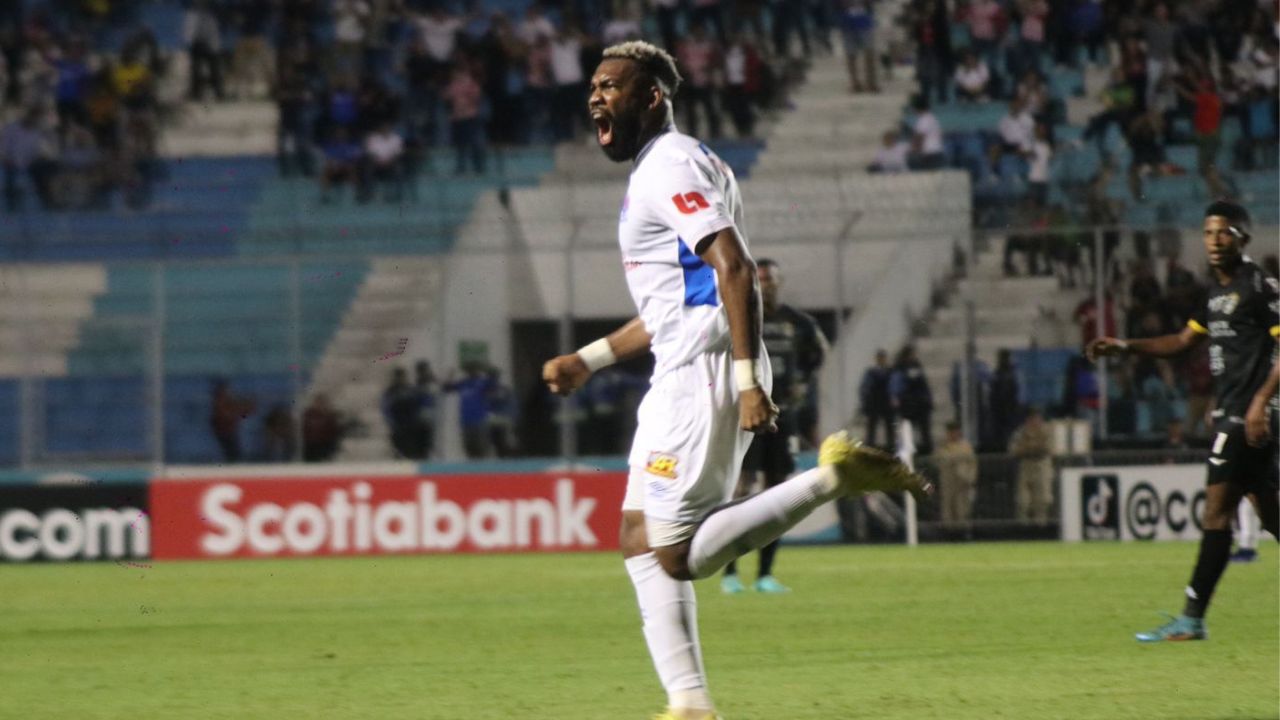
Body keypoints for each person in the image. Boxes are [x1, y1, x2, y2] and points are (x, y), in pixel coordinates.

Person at [540, 41, 929, 720]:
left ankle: (830, 478)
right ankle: (688, 702)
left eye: (612, 86)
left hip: (705, 370)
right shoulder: (678, 166)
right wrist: (590, 359)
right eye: (594, 87)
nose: (597, 96)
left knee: (678, 554)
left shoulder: (670, 164)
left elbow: (737, 270)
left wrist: (748, 381)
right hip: (684, 359)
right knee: (639, 536)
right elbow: (671, 306)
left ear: (652, 97)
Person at [1088, 200, 1278, 642]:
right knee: (1270, 515)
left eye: (1224, 232)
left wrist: (1260, 403)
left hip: (1246, 418)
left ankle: (1192, 616)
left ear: (1242, 237)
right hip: (1238, 414)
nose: (1214, 241)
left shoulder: (1260, 286)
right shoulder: (1213, 294)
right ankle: (1192, 617)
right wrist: (1125, 346)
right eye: (1209, 233)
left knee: (1216, 513)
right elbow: (1180, 341)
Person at [721, 258, 829, 595]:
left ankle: (765, 574)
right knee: (742, 488)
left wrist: (803, 382)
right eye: (761, 278)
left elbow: (818, 354)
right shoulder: (741, 316)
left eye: (770, 279)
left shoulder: (797, 322)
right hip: (748, 416)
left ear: (778, 282)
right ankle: (729, 571)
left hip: (783, 417)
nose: (766, 284)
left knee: (777, 493)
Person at [1008, 407, 1053, 523]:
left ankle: (1041, 526)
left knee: (1043, 500)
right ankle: (1023, 527)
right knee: (1023, 501)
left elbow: (1048, 448)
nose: (1035, 421)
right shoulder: (1020, 432)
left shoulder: (1047, 431)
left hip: (1041, 465)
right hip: (1025, 465)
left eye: (1037, 418)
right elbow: (1013, 450)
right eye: (1032, 419)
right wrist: (1030, 448)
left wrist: (1030, 447)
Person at [935, 421, 977, 527]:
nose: (953, 434)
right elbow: (937, 460)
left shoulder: (965, 446)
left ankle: (963, 529)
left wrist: (971, 478)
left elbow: (972, 463)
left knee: (962, 506)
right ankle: (948, 530)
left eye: (955, 431)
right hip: (947, 481)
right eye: (950, 432)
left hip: (962, 481)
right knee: (948, 507)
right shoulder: (942, 446)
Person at [210, 379, 254, 463]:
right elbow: (225, 415)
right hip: (223, 431)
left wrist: (243, 412)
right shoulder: (219, 402)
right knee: (231, 451)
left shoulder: (228, 400)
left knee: (234, 451)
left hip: (230, 429)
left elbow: (241, 412)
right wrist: (238, 415)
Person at [859, 348, 894, 448]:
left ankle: (890, 445)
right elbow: (865, 387)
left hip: (886, 401)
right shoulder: (871, 372)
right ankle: (870, 445)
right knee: (872, 425)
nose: (881, 359)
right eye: (880, 357)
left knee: (889, 424)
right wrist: (865, 400)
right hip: (874, 401)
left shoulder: (890, 371)